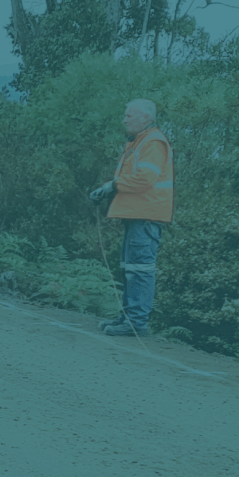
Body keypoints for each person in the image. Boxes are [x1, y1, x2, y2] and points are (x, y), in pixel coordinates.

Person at [87, 99, 174, 337]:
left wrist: (111, 186)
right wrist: (110, 188)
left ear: (145, 119)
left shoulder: (152, 142)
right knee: (131, 268)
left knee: (140, 270)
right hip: (139, 215)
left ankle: (135, 322)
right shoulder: (140, 141)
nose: (124, 120)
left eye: (129, 116)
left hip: (147, 215)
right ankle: (128, 317)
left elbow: (145, 179)